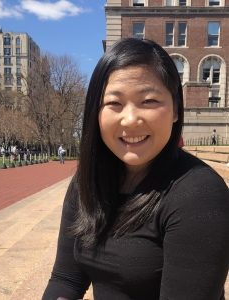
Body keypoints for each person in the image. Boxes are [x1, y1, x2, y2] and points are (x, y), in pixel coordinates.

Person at [42, 37, 229, 300]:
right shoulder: (88, 182)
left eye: (149, 101)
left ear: (176, 108)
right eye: (114, 104)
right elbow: (66, 279)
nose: (130, 120)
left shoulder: (200, 195)